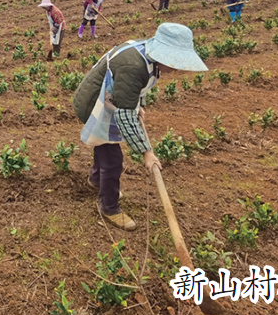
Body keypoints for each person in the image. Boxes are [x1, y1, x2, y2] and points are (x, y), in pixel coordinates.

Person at [73, 22, 208, 230]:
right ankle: (108, 207)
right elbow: (125, 115)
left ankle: (97, 179)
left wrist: (139, 104)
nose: (175, 67)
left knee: (104, 146)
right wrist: (146, 152)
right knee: (113, 158)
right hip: (94, 104)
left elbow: (135, 90)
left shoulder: (146, 54)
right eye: (174, 61)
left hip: (108, 98)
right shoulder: (134, 65)